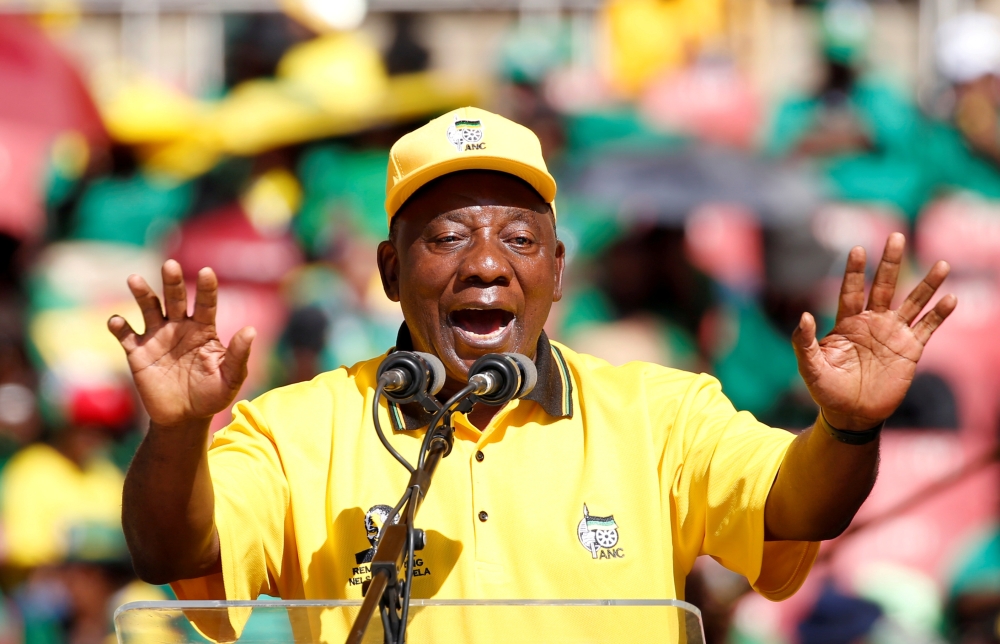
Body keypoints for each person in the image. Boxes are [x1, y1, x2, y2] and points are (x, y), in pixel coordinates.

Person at [109, 108, 955, 612]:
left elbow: (796, 506)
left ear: (556, 271)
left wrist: (846, 429)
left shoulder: (662, 415)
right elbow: (174, 553)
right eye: (445, 237)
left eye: (519, 239)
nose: (485, 263)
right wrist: (179, 433)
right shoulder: (293, 431)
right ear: (391, 271)